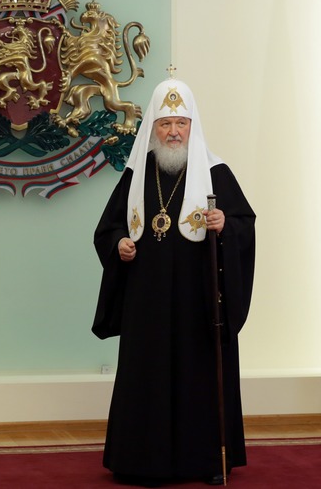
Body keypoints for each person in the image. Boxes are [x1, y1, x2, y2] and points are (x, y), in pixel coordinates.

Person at [92, 76, 256, 486]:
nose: (173, 132)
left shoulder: (215, 172)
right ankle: (141, 461)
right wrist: (119, 244)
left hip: (199, 301)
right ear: (153, 127)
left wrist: (225, 224)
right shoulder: (137, 174)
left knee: (199, 377)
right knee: (147, 376)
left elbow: (244, 224)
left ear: (191, 125)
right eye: (165, 124)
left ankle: (207, 460)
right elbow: (108, 228)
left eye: (181, 123)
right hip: (147, 301)